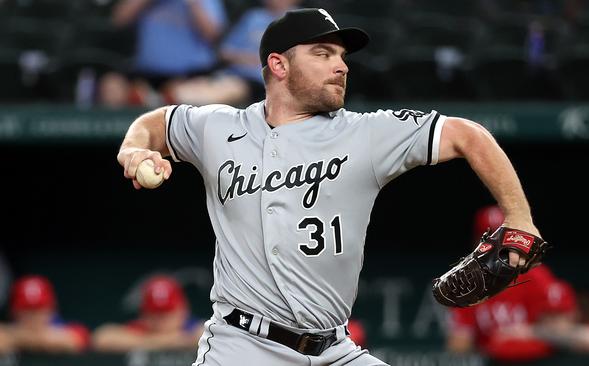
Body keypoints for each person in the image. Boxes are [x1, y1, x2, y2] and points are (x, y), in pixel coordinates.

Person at [116, 8, 541, 365]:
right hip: (241, 347)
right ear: (279, 65)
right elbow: (154, 122)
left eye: (341, 55)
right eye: (323, 53)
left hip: (334, 350)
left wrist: (519, 216)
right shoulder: (218, 127)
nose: (341, 65)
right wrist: (135, 152)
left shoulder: (367, 134)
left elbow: (469, 134)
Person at [446, 205, 589, 363]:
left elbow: (563, 328)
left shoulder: (535, 276)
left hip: (538, 361)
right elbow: (459, 344)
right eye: (488, 239)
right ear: (477, 243)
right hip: (493, 361)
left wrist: (525, 332)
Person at [97, 0, 229, 108]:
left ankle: (156, 101)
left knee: (187, 94)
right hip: (145, 77)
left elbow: (212, 34)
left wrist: (194, 4)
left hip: (191, 76)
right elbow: (118, 20)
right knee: (111, 86)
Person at [170, 0, 301, 106]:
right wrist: (246, 58)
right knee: (186, 86)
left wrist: (256, 59)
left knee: (218, 91)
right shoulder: (253, 17)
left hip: (260, 82)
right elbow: (224, 51)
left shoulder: (300, 20)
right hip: (231, 73)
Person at [92, 275, 203, 352]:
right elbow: (102, 338)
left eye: (167, 312)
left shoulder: (191, 327)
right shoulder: (141, 329)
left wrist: (186, 339)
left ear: (183, 310)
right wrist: (164, 342)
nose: (160, 320)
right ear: (143, 314)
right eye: (154, 313)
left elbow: (206, 333)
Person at [0, 275, 90, 354]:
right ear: (14, 311)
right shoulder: (6, 330)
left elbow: (76, 340)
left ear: (52, 308)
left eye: (39, 309)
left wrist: (17, 338)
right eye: (26, 309)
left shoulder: (69, 329)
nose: (33, 316)